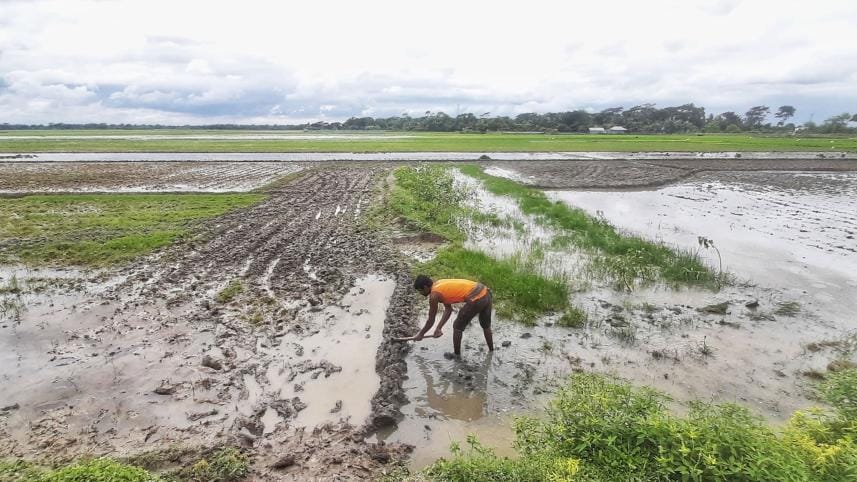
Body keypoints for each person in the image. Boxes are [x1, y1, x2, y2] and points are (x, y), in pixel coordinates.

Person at [410, 275, 493, 356]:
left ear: (425, 287)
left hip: (476, 298)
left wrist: (421, 334)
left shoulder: (434, 296)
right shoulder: (439, 285)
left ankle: (457, 356)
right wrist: (438, 328)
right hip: (485, 292)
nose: (420, 293)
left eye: (420, 290)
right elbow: (448, 310)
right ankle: (491, 350)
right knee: (486, 325)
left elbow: (431, 320)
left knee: (457, 327)